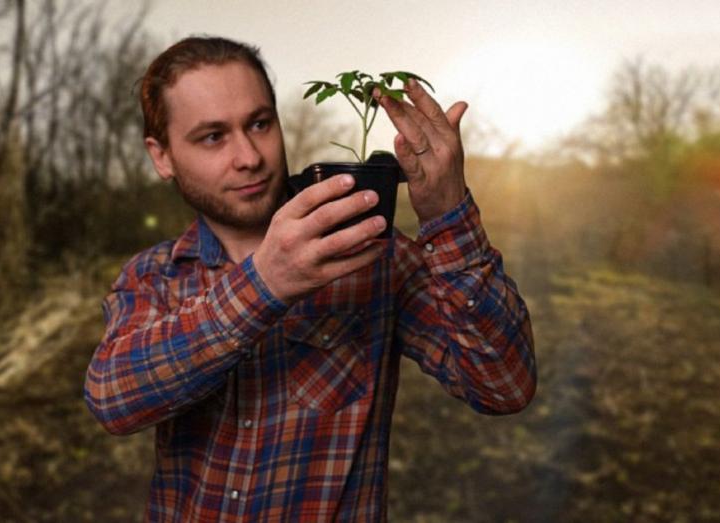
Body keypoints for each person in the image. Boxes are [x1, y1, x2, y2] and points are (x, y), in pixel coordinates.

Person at [84, 35, 536, 522]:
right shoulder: (154, 276)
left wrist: (448, 215)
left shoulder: (372, 256)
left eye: (259, 124)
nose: (249, 156)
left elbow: (504, 385)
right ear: (162, 156)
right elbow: (113, 400)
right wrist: (266, 284)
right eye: (213, 137)